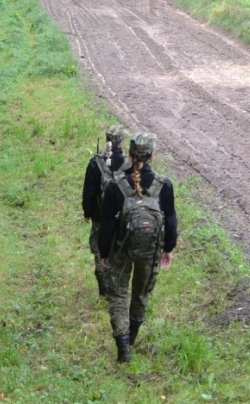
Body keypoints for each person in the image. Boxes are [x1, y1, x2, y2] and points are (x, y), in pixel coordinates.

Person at [98, 132, 178, 363]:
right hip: (150, 250)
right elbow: (170, 219)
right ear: (152, 155)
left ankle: (123, 346)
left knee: (118, 294)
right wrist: (168, 249)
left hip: (121, 249)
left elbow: (107, 226)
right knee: (141, 293)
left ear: (130, 154)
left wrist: (105, 253)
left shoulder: (116, 186)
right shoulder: (164, 185)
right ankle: (131, 337)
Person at [82, 124, 130, 297]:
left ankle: (104, 289)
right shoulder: (129, 163)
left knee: (99, 251)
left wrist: (88, 212)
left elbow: (88, 192)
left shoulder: (96, 163)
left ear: (107, 139)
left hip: (100, 218)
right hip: (123, 219)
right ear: (122, 141)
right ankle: (117, 288)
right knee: (119, 252)